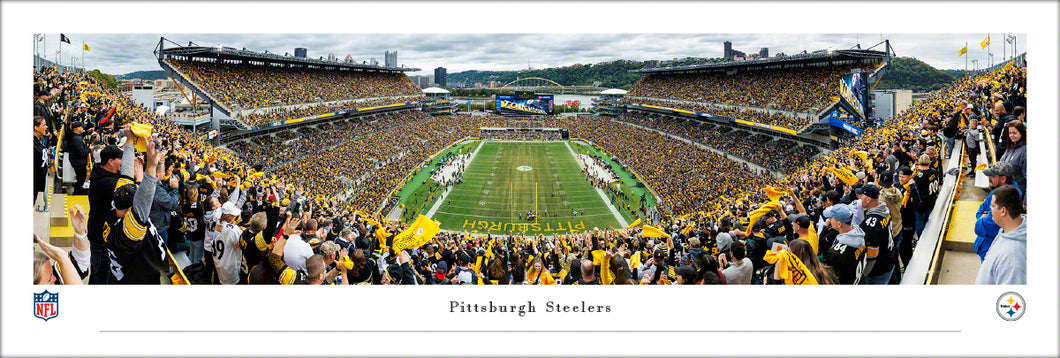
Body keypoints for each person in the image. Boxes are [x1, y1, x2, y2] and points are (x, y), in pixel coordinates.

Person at [103, 136, 169, 284]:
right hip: (137, 280)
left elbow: (126, 172)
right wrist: (151, 167)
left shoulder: (117, 202)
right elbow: (142, 202)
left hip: (124, 272)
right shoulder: (127, 232)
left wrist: (130, 140)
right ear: (130, 210)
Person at [86, 128, 135, 284]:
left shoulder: (102, 173)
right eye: (120, 159)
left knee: (98, 273)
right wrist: (139, 177)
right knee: (101, 275)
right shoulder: (106, 182)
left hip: (99, 230)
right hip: (101, 235)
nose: (122, 163)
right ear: (111, 161)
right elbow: (131, 192)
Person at [975, 185, 1025, 285]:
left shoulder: (1012, 260)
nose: (990, 209)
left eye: (993, 206)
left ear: (1003, 211)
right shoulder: (1006, 229)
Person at [973, 161, 1022, 261]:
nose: (989, 178)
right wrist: (982, 216)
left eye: (992, 176)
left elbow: (983, 227)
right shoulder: (997, 189)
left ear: (1003, 178)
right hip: (985, 247)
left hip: (991, 252)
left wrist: (981, 219)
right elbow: (981, 209)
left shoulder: (1008, 197)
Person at [857, 184, 895, 284]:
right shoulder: (884, 209)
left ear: (868, 199)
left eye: (861, 195)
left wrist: (863, 274)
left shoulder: (871, 224)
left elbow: (872, 256)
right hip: (889, 258)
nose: (859, 197)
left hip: (878, 270)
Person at [821, 204, 866, 285]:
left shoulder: (835, 253)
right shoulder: (860, 234)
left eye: (831, 218)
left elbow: (832, 281)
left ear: (839, 224)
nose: (829, 220)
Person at [212, 202, 244, 285]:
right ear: (228, 215)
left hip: (219, 262)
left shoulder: (218, 223)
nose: (235, 216)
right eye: (233, 215)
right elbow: (241, 244)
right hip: (230, 266)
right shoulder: (233, 230)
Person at [998, 120, 1026, 198]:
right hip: (1008, 193)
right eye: (1010, 133)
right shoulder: (1010, 148)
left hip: (1019, 195)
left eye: (1014, 133)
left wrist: (1026, 201)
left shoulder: (1025, 151)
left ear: (1021, 133)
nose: (1011, 135)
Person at [66, 122, 91, 194]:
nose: (83, 128)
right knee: (81, 179)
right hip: (79, 163)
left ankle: (77, 190)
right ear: (76, 128)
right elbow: (81, 153)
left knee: (80, 178)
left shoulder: (75, 137)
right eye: (81, 127)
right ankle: (76, 192)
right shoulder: (77, 139)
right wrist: (89, 150)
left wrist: (86, 132)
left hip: (76, 161)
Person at [33, 116, 50, 203]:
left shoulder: (39, 140)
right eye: (44, 125)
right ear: (36, 127)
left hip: (37, 184)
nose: (46, 127)